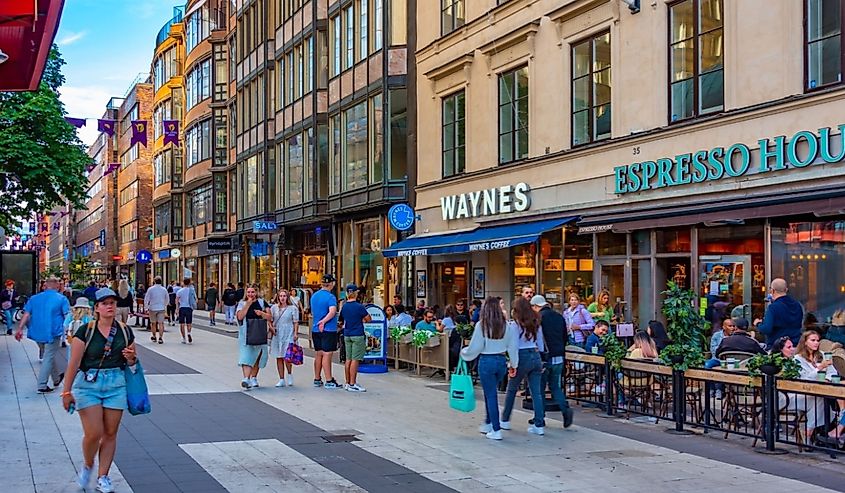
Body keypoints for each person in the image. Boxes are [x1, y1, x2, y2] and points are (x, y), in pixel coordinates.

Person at [61, 287, 136, 493]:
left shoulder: (124, 330)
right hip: (89, 384)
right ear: (97, 308)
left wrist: (131, 358)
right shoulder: (85, 331)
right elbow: (73, 364)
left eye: (112, 303)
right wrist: (66, 392)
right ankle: (88, 465)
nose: (110, 306)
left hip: (116, 383)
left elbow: (133, 361)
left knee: (111, 433)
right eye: (105, 303)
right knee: (94, 433)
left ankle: (103, 476)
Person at [460, 297, 519, 440]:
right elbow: (513, 347)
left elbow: (476, 347)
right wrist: (514, 364)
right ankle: (488, 423)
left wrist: (465, 353)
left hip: (487, 360)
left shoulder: (482, 325)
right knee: (491, 393)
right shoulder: (507, 325)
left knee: (490, 395)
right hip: (501, 361)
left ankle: (495, 428)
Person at [501, 297, 547, 435]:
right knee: (536, 392)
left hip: (521, 356)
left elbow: (513, 345)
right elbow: (540, 344)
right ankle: (539, 424)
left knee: (511, 389)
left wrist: (512, 364)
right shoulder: (536, 322)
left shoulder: (514, 325)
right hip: (535, 354)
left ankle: (505, 420)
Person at [15, 277, 70, 393]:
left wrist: (19, 328)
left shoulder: (34, 298)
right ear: (57, 286)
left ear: (45, 285)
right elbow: (67, 316)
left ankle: (56, 378)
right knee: (48, 356)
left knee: (48, 355)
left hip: (37, 332)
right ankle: (42, 384)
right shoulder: (61, 299)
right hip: (53, 331)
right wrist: (69, 331)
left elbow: (26, 314)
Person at [532, 295, 574, 428]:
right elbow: (564, 336)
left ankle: (539, 416)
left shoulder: (538, 318)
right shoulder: (559, 316)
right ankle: (565, 408)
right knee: (555, 386)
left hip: (545, 357)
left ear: (535, 306)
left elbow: (536, 338)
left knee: (540, 388)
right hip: (559, 356)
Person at [236, 285, 272, 389]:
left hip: (259, 332)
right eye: (248, 292)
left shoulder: (262, 303)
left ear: (256, 292)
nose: (250, 294)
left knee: (257, 356)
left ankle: (254, 377)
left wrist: (262, 313)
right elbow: (239, 317)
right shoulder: (242, 303)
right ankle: (246, 378)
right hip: (246, 333)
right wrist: (247, 305)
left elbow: (270, 317)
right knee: (245, 356)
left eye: (252, 292)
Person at [754, 278, 804, 348]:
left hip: (778, 347)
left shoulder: (773, 307)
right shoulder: (797, 305)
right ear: (786, 290)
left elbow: (767, 329)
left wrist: (758, 324)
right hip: (796, 345)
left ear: (772, 291)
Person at [339, 284, 371, 392]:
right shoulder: (359, 306)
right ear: (356, 293)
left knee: (348, 359)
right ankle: (353, 383)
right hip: (357, 334)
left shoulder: (344, 306)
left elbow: (340, 321)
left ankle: (347, 382)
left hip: (347, 334)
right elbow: (368, 319)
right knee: (355, 359)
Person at [311, 274, 340, 389]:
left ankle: (317, 378)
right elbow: (332, 311)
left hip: (315, 328)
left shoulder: (314, 296)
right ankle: (329, 380)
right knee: (327, 354)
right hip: (328, 329)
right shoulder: (330, 297)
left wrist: (319, 322)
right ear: (332, 284)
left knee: (318, 353)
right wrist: (324, 321)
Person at [270, 289, 299, 388]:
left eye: (284, 296)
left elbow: (295, 322)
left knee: (287, 356)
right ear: (278, 297)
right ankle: (281, 378)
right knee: (279, 356)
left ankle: (289, 374)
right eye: (281, 296)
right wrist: (271, 327)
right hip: (278, 333)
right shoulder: (274, 308)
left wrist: (295, 333)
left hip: (288, 332)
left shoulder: (292, 308)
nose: (282, 298)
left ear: (287, 297)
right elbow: (270, 319)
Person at [144, 277, 169, 344]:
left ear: (154, 281)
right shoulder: (164, 289)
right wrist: (164, 305)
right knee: (161, 323)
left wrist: (146, 308)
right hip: (161, 308)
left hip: (152, 308)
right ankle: (160, 338)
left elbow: (146, 299)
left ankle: (154, 336)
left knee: (153, 323)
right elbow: (167, 299)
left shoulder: (150, 289)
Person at [176, 278, 197, 344]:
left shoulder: (180, 291)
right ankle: (189, 333)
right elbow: (196, 299)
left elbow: (176, 300)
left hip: (182, 308)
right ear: (189, 283)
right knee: (189, 323)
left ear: (183, 283)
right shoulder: (192, 290)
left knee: (182, 323)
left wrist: (177, 309)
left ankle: (184, 338)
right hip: (189, 308)